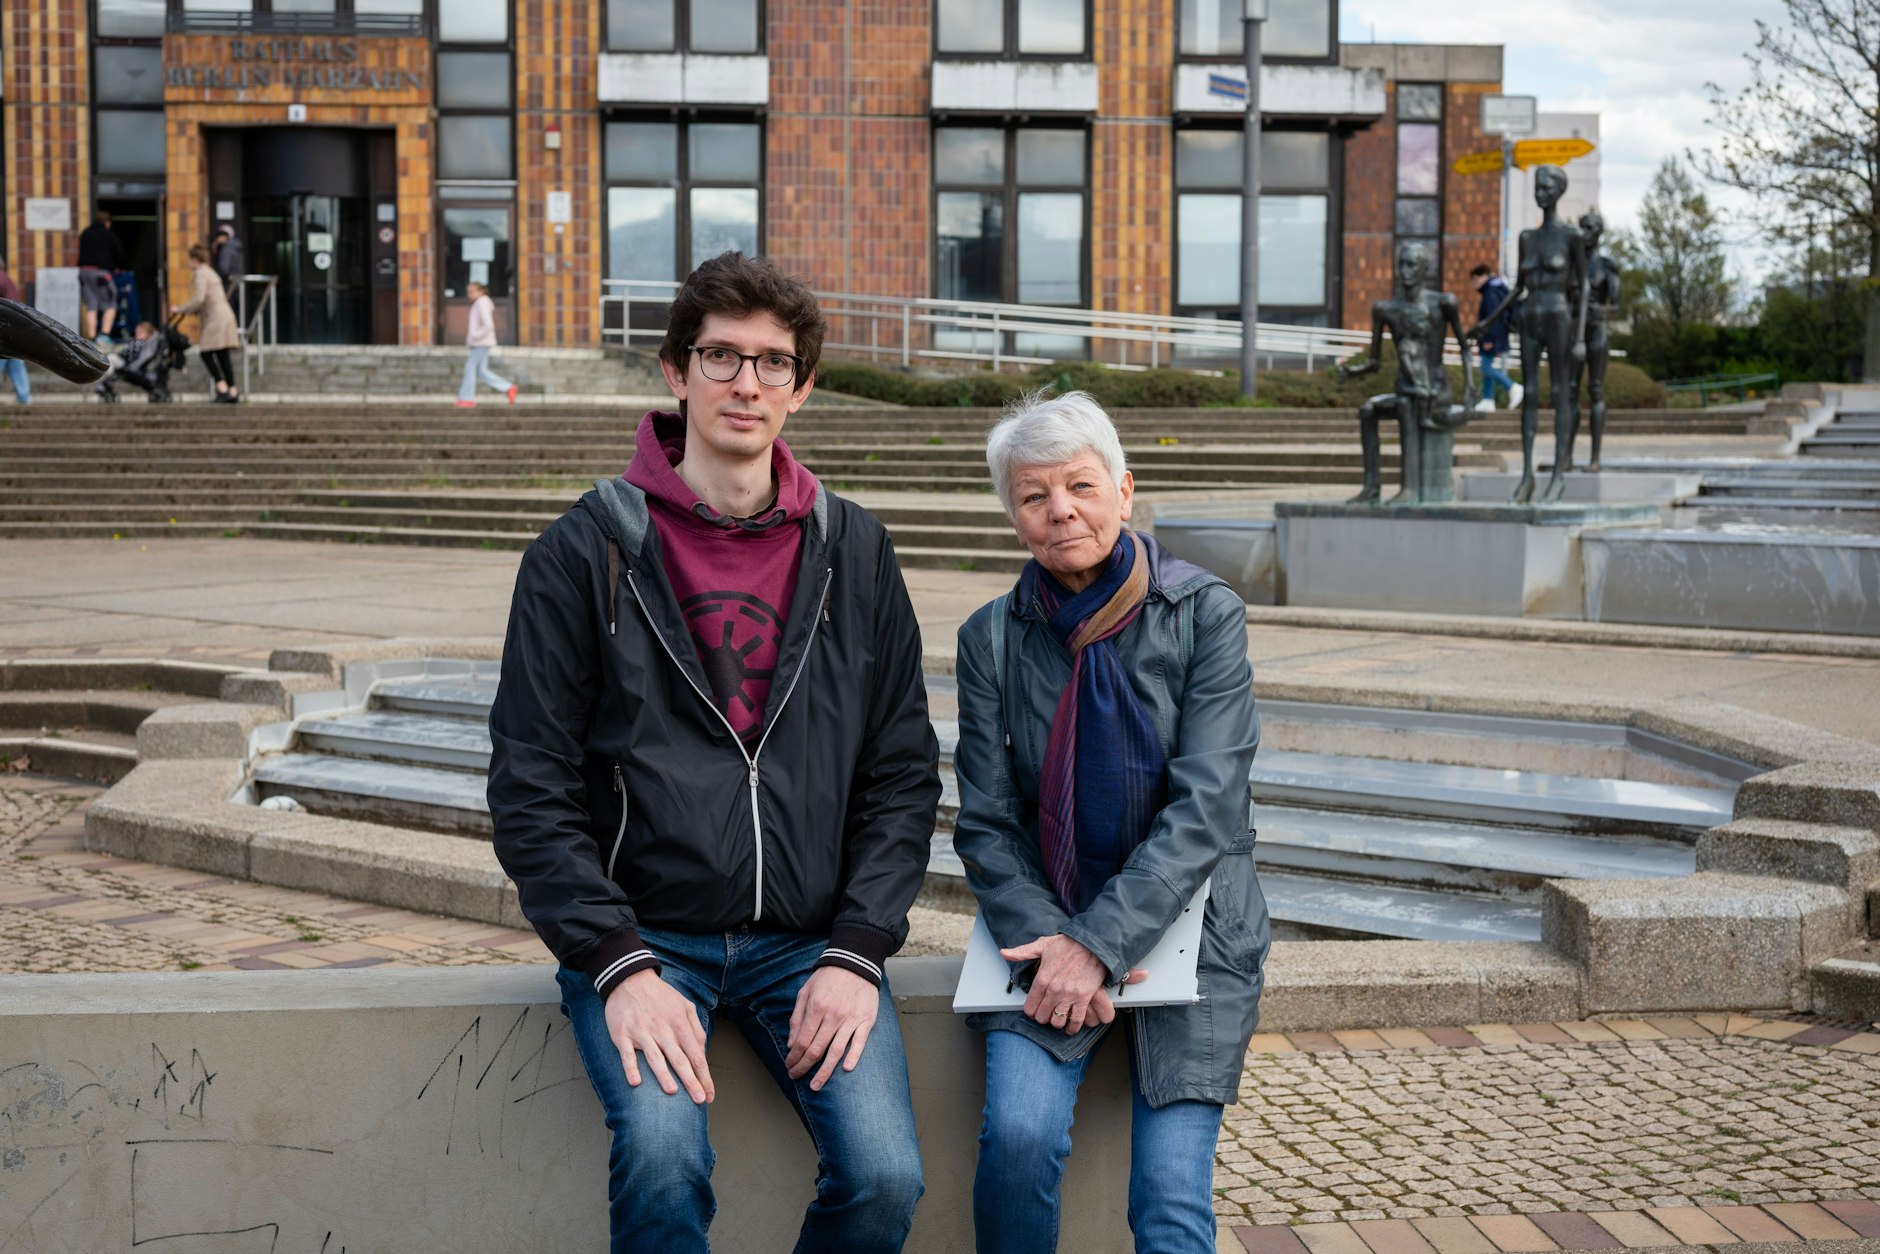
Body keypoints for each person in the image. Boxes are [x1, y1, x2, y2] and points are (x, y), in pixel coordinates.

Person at [487, 251, 938, 1254]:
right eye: (721, 356)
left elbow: (901, 772)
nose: (746, 383)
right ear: (673, 371)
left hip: (808, 944)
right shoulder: (584, 551)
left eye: (772, 362)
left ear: (802, 387)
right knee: (662, 1162)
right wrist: (616, 962)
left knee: (883, 1178)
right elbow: (530, 783)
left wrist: (857, 950)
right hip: (649, 940)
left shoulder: (854, 549)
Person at [951, 390, 1268, 1254]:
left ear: (1124, 491)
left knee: (1168, 1200)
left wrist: (1100, 943)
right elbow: (985, 821)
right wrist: (1061, 946)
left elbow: (1208, 806)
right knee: (1017, 1142)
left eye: (1081, 486)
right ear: (1012, 516)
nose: (1061, 512)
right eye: (1033, 496)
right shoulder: (989, 640)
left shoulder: (1206, 614)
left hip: (1199, 931)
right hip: (1041, 934)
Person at [1469, 164, 1588, 503]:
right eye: (1537, 186)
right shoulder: (1527, 238)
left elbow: (1583, 286)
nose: (1541, 192)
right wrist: (1487, 320)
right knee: (1531, 393)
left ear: (1560, 190)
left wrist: (1579, 337)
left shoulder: (1571, 237)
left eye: (1547, 186)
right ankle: (1526, 476)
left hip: (1559, 315)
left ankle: (1559, 476)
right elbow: (1517, 287)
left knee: (1562, 391)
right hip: (1530, 316)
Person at [1339, 242, 1476, 506]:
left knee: (1404, 406)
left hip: (1435, 392)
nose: (1404, 271)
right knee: (1369, 410)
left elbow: (1464, 348)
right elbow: (1375, 361)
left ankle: (1410, 489)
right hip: (1407, 388)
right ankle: (1371, 487)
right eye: (1401, 264)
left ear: (1425, 268)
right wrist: (1353, 371)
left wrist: (1470, 384)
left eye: (1411, 264)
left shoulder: (1443, 303)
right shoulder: (1385, 309)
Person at [175, 242, 241, 403]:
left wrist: (180, 309)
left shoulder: (201, 273)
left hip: (216, 317)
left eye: (189, 260)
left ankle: (222, 387)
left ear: (195, 259)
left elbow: (199, 298)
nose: (188, 263)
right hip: (223, 314)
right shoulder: (209, 271)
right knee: (222, 353)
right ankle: (232, 390)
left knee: (206, 352)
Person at [1470, 262, 1521, 413]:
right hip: (1496, 335)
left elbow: (1493, 317)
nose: (1474, 284)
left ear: (1481, 276)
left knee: (1486, 367)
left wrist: (1488, 339)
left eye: (1474, 280)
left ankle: (1512, 386)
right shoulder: (1496, 289)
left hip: (1492, 336)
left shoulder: (1491, 292)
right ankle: (1488, 399)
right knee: (1486, 366)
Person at [457, 280, 517, 406]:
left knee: (470, 369)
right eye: (468, 291)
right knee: (482, 371)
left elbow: (488, 325)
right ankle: (508, 388)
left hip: (481, 343)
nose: (469, 294)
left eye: (472, 291)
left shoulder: (481, 303)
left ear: (481, 291)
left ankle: (467, 398)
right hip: (481, 342)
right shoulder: (480, 303)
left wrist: (474, 336)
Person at [77, 208, 126, 347]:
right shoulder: (108, 234)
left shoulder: (85, 233)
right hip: (100, 274)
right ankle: (104, 335)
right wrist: (119, 266)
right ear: (107, 222)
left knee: (91, 306)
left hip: (83, 273)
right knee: (111, 303)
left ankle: (91, 339)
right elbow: (119, 254)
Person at [0, 255, 31, 403]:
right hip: (14, 329)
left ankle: (24, 396)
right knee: (16, 365)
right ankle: (24, 397)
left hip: (3, 331)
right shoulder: (5, 278)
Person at [211, 223, 244, 297]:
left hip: (228, 283)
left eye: (218, 236)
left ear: (225, 237)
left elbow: (224, 268)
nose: (217, 239)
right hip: (236, 282)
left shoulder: (227, 248)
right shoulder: (235, 247)